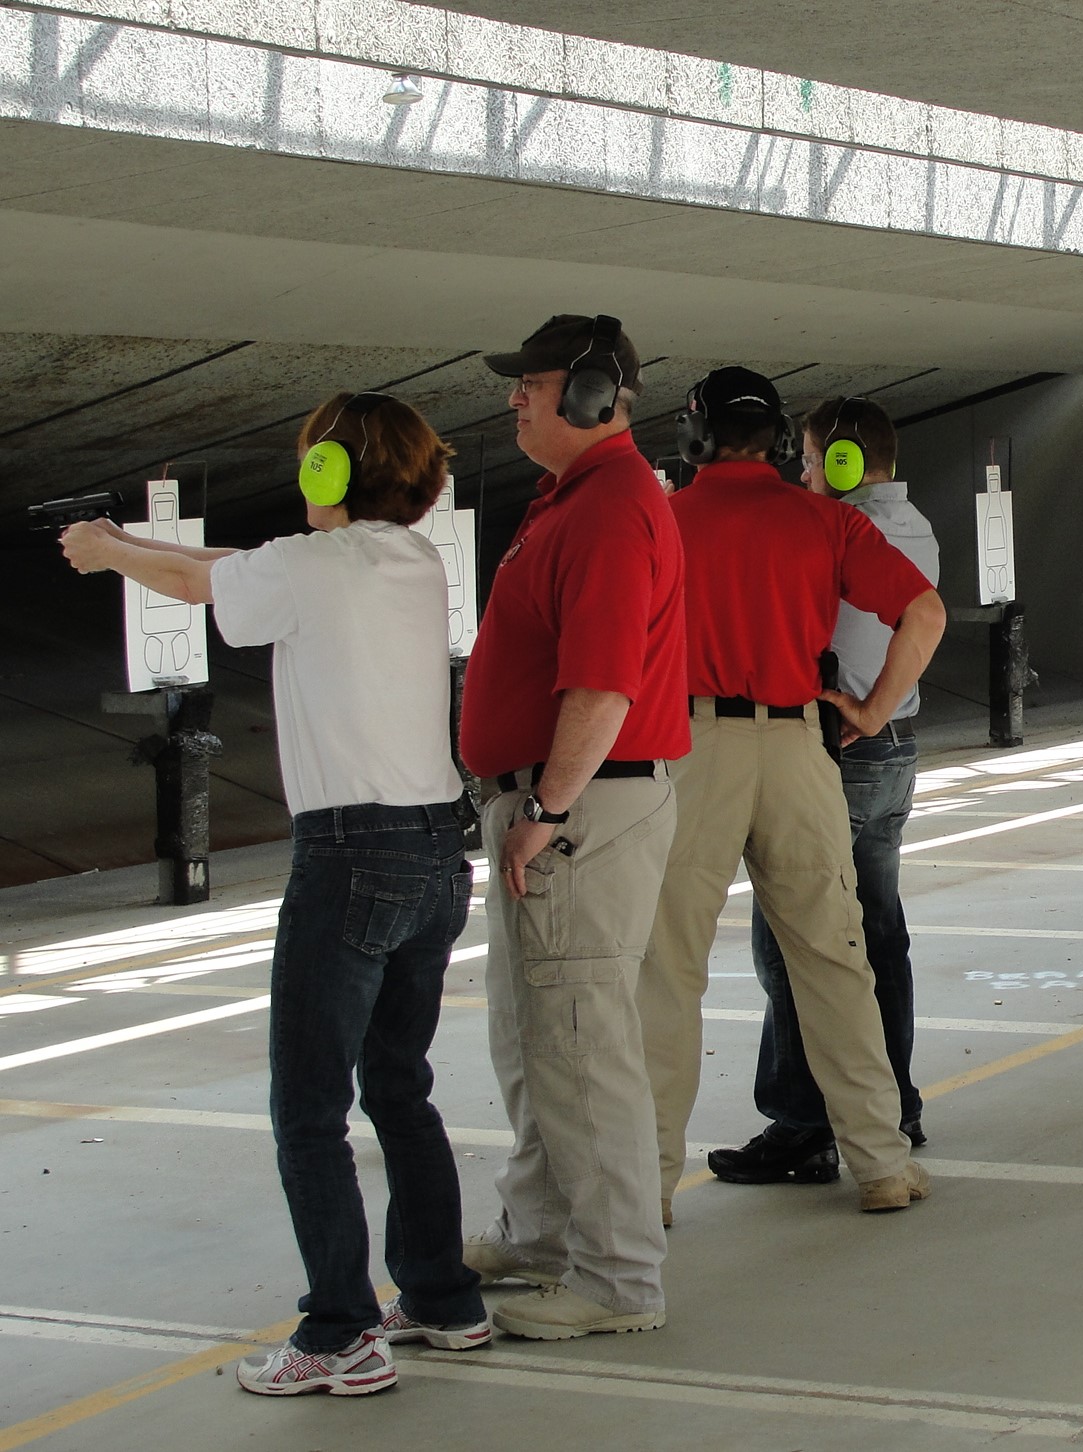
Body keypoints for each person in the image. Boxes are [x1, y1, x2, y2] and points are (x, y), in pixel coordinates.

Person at [63, 392, 487, 1395]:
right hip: (436, 849)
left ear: (328, 474)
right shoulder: (412, 562)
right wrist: (123, 538)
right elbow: (234, 571)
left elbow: (201, 581)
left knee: (307, 1109)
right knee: (398, 1086)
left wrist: (110, 554)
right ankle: (438, 1296)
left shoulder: (305, 568)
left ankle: (340, 1331)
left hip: (348, 857)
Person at [639, 367, 946, 1216]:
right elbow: (923, 613)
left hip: (690, 748)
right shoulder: (823, 518)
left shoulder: (660, 520)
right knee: (834, 959)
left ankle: (650, 1186)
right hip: (799, 745)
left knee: (667, 972)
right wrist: (874, 708)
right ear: (776, 440)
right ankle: (880, 1164)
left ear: (694, 436)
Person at [459, 314, 690, 1339]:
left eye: (534, 382)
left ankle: (618, 1280)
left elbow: (601, 686)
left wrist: (546, 809)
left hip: (582, 807)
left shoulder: (607, 510)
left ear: (594, 397)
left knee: (583, 1043)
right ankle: (544, 1230)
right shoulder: (577, 499)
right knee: (535, 1033)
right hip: (565, 803)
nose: (515, 397)